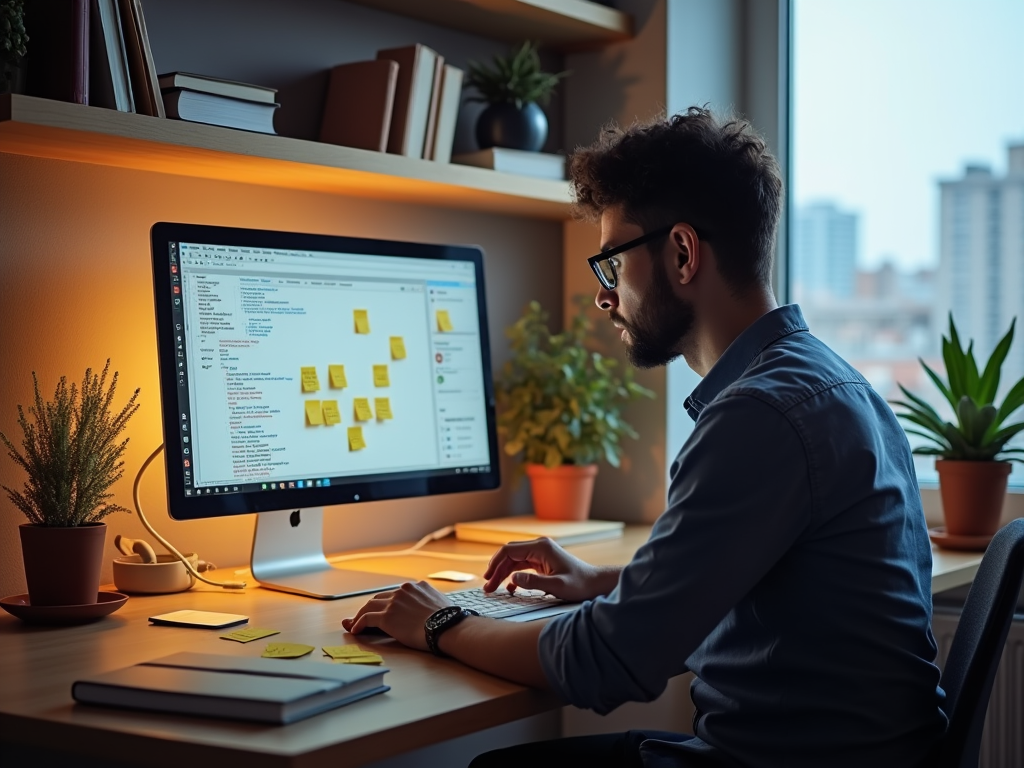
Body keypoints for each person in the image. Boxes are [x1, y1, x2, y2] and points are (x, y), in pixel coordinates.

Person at [343, 107, 947, 768]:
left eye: (611, 265)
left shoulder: (758, 417)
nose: (605, 297)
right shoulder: (834, 383)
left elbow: (606, 664)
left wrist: (438, 621)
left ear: (682, 253)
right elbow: (765, 582)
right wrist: (606, 582)